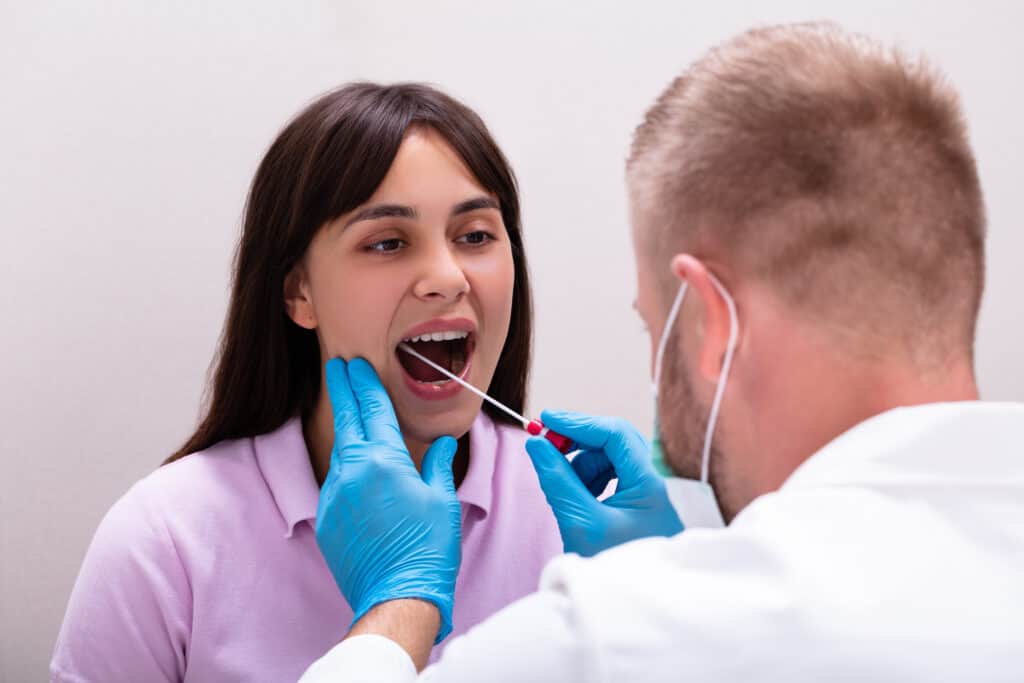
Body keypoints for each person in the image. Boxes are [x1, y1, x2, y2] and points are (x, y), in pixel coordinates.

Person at [300, 22, 1024, 682]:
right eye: (389, 242)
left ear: (709, 321)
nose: (448, 277)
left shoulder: (601, 642)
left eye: (655, 329)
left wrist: (396, 607)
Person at [50, 83, 563, 682]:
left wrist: (654, 586)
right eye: (388, 242)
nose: (448, 279)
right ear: (300, 293)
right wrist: (401, 605)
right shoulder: (164, 540)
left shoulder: (565, 513)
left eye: (475, 236)